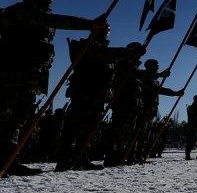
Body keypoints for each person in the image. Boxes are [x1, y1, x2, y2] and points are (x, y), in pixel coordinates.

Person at [0, 0, 107, 176]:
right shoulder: (21, 12)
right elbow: (55, 20)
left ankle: (9, 160)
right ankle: (5, 160)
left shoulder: (37, 15)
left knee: (19, 118)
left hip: (29, 77)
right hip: (11, 76)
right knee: (7, 118)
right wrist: (89, 24)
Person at [56, 29, 143, 171]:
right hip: (83, 93)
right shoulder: (85, 46)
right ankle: (64, 160)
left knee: (89, 130)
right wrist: (130, 52)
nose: (105, 36)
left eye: (106, 34)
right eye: (102, 33)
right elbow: (105, 54)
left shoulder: (107, 52)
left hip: (99, 96)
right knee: (74, 127)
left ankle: (81, 158)